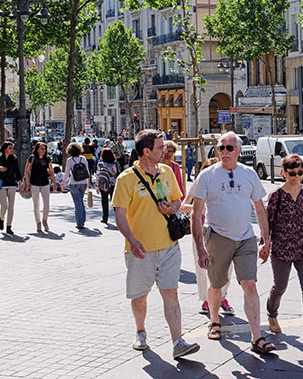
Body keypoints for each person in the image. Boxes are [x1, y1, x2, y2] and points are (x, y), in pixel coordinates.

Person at [112, 129, 199, 359]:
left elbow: (178, 200)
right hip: (139, 250)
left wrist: (172, 207)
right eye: (160, 147)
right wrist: (132, 240)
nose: (166, 150)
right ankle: (140, 331)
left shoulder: (167, 172)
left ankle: (178, 342)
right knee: (140, 295)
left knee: (171, 292)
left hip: (168, 245)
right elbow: (120, 215)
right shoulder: (126, 179)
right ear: (146, 151)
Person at [190, 132, 276, 355]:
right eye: (221, 148)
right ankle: (215, 320)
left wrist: (266, 239)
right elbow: (196, 212)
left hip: (245, 237)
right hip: (218, 236)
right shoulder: (207, 175)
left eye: (229, 148)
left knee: (250, 284)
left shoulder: (248, 174)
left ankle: (257, 337)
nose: (224, 152)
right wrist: (200, 248)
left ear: (239, 150)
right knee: (217, 285)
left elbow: (259, 208)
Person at [265, 154, 303, 345]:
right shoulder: (276, 195)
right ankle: (272, 313)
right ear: (284, 173)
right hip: (282, 247)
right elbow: (268, 222)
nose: (297, 176)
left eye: (300, 172)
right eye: (292, 173)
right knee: (280, 286)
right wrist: (265, 243)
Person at [181, 157, 235, 317]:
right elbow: (183, 206)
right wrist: (198, 207)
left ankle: (222, 297)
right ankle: (206, 299)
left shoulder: (227, 185)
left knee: (226, 266)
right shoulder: (199, 184)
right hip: (203, 232)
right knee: (202, 267)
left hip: (225, 231)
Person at [23, 142, 57, 232]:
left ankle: (45, 220)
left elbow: (51, 171)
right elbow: (26, 172)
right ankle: (38, 223)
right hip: (34, 183)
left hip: (45, 183)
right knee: (36, 205)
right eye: (42, 148)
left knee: (47, 204)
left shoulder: (47, 159)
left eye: (44, 149)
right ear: (37, 149)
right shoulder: (32, 158)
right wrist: (27, 184)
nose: (43, 150)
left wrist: (54, 183)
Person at [61, 142, 92, 230]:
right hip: (83, 183)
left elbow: (67, 173)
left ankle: (80, 222)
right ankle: (83, 219)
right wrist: (88, 182)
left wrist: (63, 183)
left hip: (74, 183)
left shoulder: (70, 160)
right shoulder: (83, 158)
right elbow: (87, 171)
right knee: (81, 201)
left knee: (77, 203)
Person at [0, 141, 22, 235]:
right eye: (10, 148)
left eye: (12, 148)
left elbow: (17, 171)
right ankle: (1, 219)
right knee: (4, 206)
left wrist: (20, 183)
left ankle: (9, 226)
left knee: (11, 207)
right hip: (1, 184)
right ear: (5, 148)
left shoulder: (14, 159)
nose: (12, 150)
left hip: (11, 184)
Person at [96, 148, 121, 224]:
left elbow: (98, 176)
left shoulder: (100, 164)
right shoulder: (116, 164)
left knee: (104, 201)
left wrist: (97, 187)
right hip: (114, 184)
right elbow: (119, 174)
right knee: (115, 202)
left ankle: (105, 218)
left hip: (103, 185)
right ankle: (119, 218)